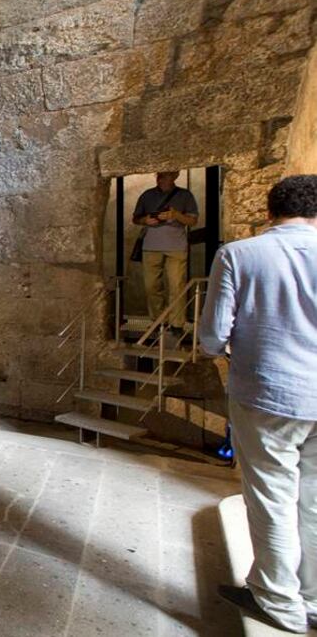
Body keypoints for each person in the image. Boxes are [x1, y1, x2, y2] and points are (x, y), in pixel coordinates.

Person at [198, 175, 317, 634]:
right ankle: (311, 597)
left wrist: (228, 350)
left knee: (272, 496)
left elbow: (211, 336)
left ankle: (278, 599)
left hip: (270, 393)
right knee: (313, 501)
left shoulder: (240, 254)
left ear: (270, 211)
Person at [133, 171, 199, 340]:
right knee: (151, 286)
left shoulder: (185, 195)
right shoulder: (147, 195)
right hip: (151, 246)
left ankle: (177, 323)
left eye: (168, 175)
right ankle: (158, 320)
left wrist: (175, 215)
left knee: (176, 285)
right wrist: (145, 220)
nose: (163, 178)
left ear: (175, 176)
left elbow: (192, 221)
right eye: (161, 175)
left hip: (176, 246)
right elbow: (136, 218)